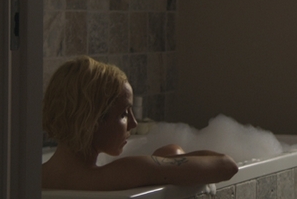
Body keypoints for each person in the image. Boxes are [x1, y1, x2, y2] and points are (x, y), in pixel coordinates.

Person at [41, 56, 238, 191]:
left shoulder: (31, 176)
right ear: (91, 120)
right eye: (124, 114)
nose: (133, 124)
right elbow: (227, 165)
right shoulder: (126, 173)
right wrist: (170, 163)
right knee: (171, 150)